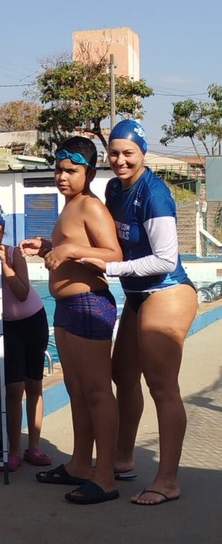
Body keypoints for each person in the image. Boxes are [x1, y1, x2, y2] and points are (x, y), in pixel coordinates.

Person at [81, 119, 196, 506]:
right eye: (113, 153)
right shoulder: (113, 189)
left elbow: (165, 259)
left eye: (128, 153)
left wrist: (111, 270)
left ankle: (167, 480)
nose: (119, 160)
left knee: (162, 385)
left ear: (142, 154)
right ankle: (123, 458)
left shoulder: (154, 193)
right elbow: (105, 241)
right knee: (122, 374)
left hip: (167, 291)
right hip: (137, 294)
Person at [19, 136, 123, 504]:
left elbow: (113, 254)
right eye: (58, 169)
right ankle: (80, 464)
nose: (62, 176)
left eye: (71, 170)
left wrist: (70, 249)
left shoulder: (90, 206)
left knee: (96, 391)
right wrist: (48, 247)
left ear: (90, 173)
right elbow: (73, 251)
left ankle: (106, 476)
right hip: (68, 307)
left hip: (89, 304)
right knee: (78, 391)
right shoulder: (71, 206)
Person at [0, 202, 51, 472]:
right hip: (9, 328)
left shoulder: (14, 253)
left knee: (34, 385)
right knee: (12, 389)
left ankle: (35, 447)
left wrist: (4, 264)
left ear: (3, 232)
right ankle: (13, 450)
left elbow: (22, 292)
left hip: (33, 320)